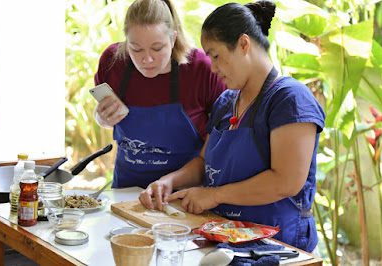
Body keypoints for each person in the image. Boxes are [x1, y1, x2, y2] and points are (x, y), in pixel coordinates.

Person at [139, 1, 325, 253]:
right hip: (225, 241)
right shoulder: (227, 102)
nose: (213, 68)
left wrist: (214, 195)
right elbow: (204, 162)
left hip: (278, 246)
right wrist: (169, 181)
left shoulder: (290, 100)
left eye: (216, 56)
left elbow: (287, 182)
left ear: (244, 44)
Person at [94, 0, 225, 189]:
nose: (147, 59)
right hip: (127, 190)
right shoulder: (113, 62)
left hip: (185, 192)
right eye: (136, 49)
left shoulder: (201, 68)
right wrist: (102, 118)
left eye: (157, 48)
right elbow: (101, 114)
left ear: (173, 39)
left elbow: (222, 137)